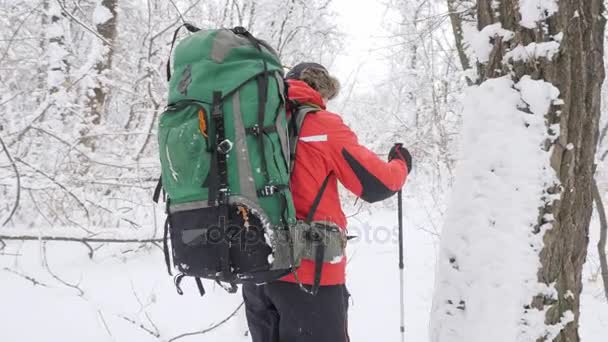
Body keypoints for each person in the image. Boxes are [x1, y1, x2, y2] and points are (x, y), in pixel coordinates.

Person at [242, 62, 412, 342]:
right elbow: (378, 185)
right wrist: (401, 162)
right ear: (320, 89)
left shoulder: (253, 126)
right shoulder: (321, 123)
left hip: (258, 272)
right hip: (310, 275)